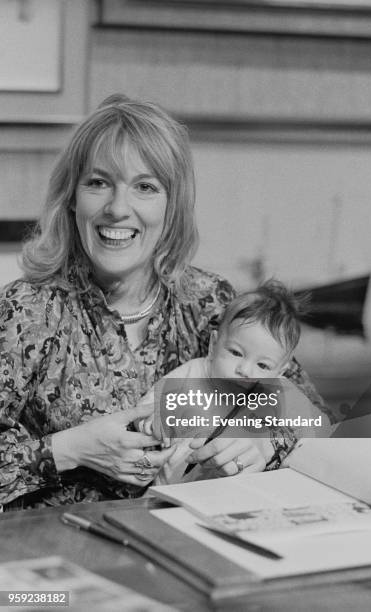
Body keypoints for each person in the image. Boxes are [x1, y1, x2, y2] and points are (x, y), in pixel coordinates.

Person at [0, 94, 328, 511]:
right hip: (56, 559)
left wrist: (262, 440)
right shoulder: (27, 311)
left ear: (171, 207)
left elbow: (313, 417)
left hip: (190, 548)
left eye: (145, 187)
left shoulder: (212, 302)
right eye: (98, 182)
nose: (118, 208)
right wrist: (70, 450)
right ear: (72, 197)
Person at [137, 280, 328, 484]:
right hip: (173, 490)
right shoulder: (193, 373)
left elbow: (317, 429)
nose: (245, 370)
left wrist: (298, 453)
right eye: (236, 353)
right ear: (213, 345)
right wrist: (154, 421)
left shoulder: (279, 392)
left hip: (241, 490)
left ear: (281, 371)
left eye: (263, 366)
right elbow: (146, 407)